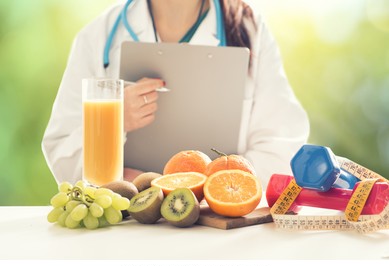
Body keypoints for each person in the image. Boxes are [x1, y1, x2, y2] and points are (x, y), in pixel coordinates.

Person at [42, 0, 310, 188]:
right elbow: (62, 153)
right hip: (127, 229)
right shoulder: (98, 36)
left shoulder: (249, 29)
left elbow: (280, 147)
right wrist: (114, 122)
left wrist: (205, 185)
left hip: (219, 231)